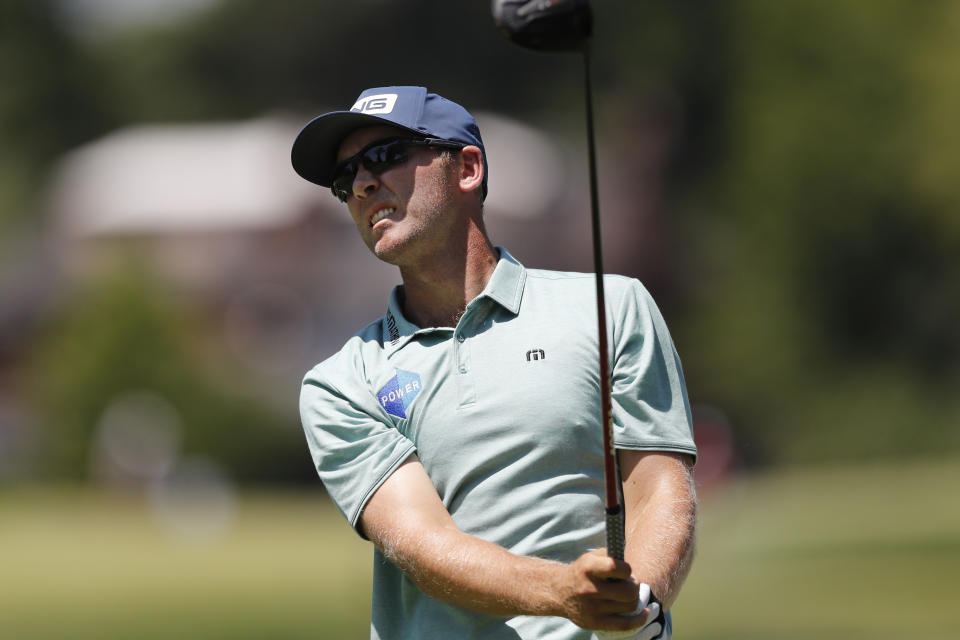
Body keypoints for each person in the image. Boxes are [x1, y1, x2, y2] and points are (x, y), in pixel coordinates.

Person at [293, 86, 697, 640]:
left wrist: (638, 606)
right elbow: (423, 544)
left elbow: (659, 490)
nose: (363, 183)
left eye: (385, 156)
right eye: (345, 179)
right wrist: (563, 594)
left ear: (467, 168)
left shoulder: (613, 306)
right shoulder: (340, 382)